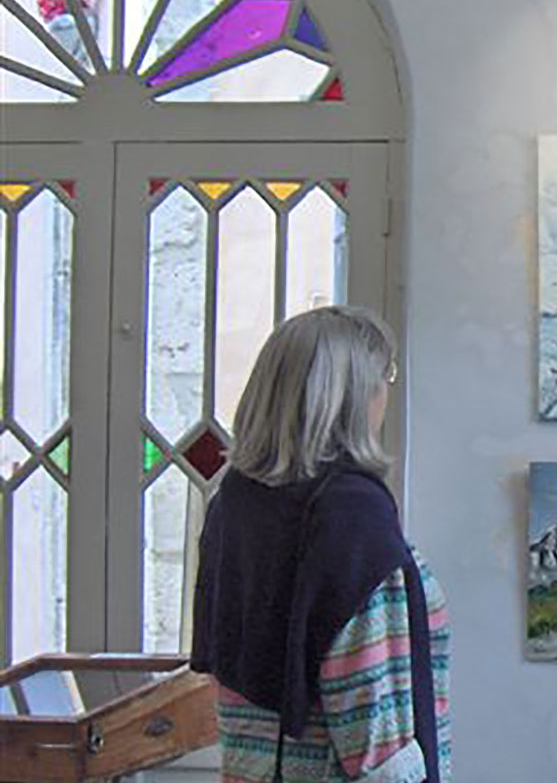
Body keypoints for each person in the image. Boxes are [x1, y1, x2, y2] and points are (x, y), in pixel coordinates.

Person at [191, 306, 450, 783]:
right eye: (385, 376)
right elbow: (370, 713)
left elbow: (222, 662)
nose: (386, 392)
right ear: (352, 395)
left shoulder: (233, 502)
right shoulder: (352, 514)